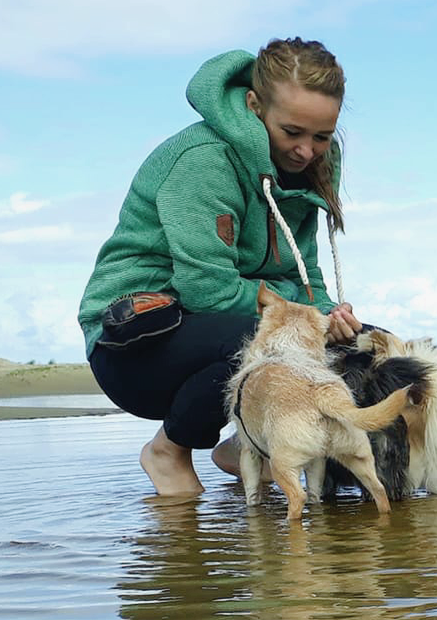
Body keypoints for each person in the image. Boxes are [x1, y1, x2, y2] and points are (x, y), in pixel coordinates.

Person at [77, 37, 362, 496]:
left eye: (321, 137)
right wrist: (307, 319)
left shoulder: (310, 168)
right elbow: (206, 291)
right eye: (292, 132)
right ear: (253, 106)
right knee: (259, 337)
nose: (307, 151)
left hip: (222, 324)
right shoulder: (203, 161)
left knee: (359, 345)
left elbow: (305, 275)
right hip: (134, 345)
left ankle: (246, 444)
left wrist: (331, 314)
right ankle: (168, 450)